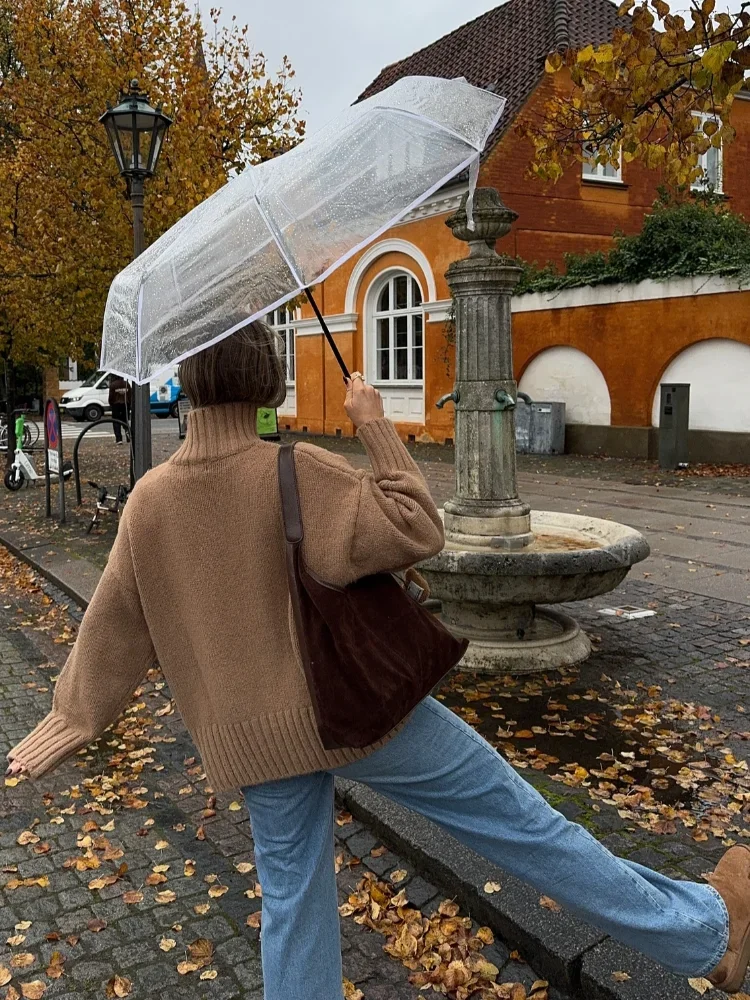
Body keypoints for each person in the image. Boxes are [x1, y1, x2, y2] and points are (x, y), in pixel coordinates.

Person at [6, 321, 749, 1000]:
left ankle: (699, 930)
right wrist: (376, 429)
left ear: (191, 383)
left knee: (293, 909)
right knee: (523, 826)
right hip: (356, 713)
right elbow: (420, 528)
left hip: (251, 745)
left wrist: (75, 714)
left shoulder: (150, 502)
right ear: (267, 378)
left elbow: (114, 626)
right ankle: (704, 934)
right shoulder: (300, 471)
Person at [108, 375, 130, 443]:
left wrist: (111, 404)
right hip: (125, 405)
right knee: (125, 421)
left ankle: (119, 439)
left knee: (116, 422)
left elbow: (111, 397)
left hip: (116, 405)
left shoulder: (113, 385)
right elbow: (130, 395)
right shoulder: (127, 384)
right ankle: (128, 435)